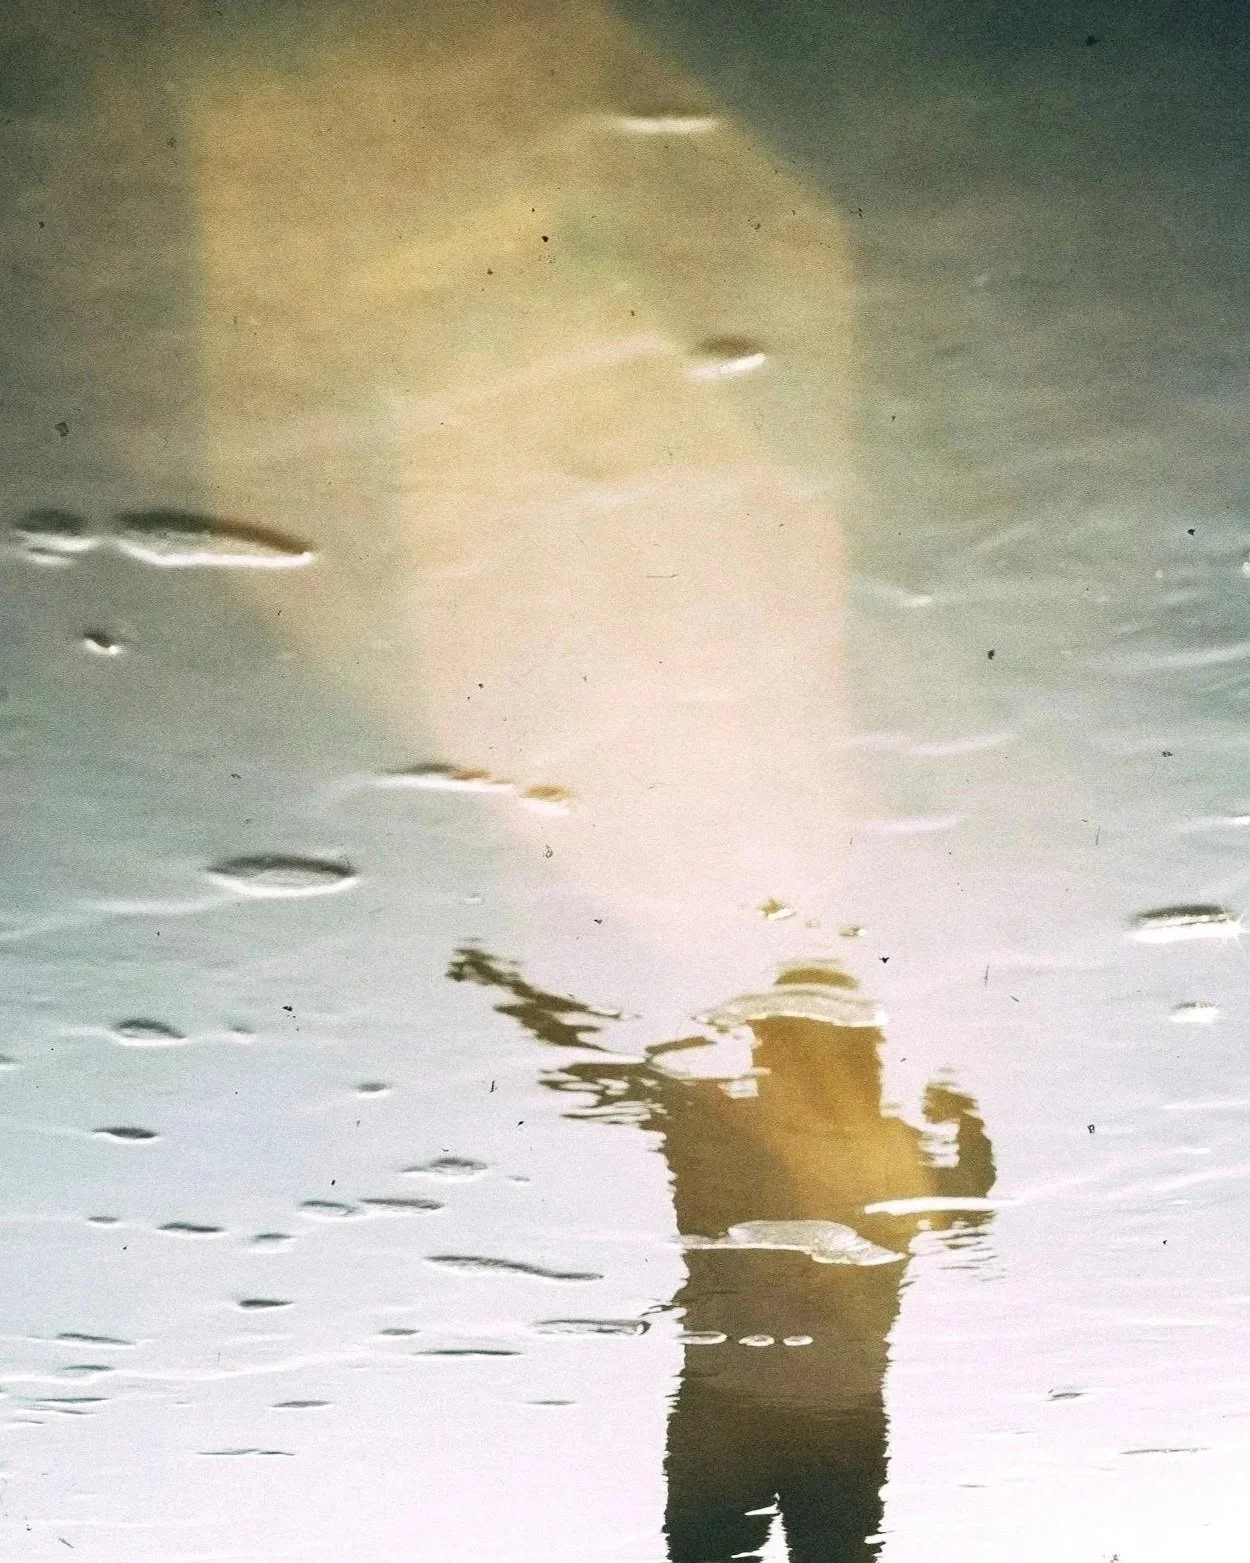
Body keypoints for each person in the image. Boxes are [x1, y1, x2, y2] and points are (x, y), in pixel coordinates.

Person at [449, 944, 995, 1563]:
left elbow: (590, 1061)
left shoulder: (715, 1116)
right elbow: (968, 1207)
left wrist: (510, 989)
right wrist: (967, 1124)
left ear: (767, 1044)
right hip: (825, 1408)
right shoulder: (883, 1144)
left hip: (737, 1403)